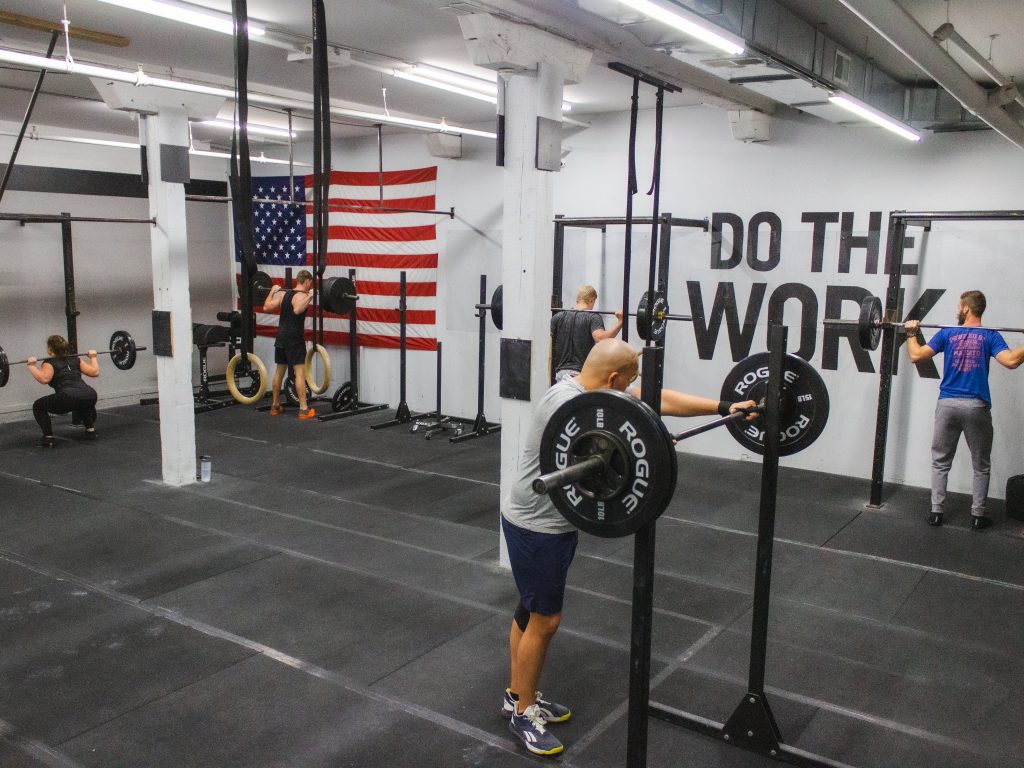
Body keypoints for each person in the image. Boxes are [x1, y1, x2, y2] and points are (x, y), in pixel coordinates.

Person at [500, 338, 757, 756]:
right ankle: (523, 711)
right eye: (629, 383)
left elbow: (656, 403)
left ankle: (517, 692)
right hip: (537, 525)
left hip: (547, 522)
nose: (630, 390)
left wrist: (724, 406)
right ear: (614, 378)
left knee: (529, 609)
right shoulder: (564, 406)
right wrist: (649, 438)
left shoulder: (584, 387)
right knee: (544, 619)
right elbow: (603, 458)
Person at [905, 290, 1024, 530]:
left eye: (959, 306)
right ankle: (978, 516)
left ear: (967, 309)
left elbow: (916, 355)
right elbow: (1012, 361)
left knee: (940, 462)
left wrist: (910, 333)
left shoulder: (948, 332)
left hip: (947, 405)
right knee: (981, 464)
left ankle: (936, 512)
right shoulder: (989, 335)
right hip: (976, 407)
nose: (956, 310)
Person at [26, 335, 99, 448]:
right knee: (80, 400)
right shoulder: (75, 359)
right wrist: (93, 357)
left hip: (68, 397)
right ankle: (91, 431)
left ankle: (48, 438)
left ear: (50, 349)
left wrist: (31, 366)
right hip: (90, 395)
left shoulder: (49, 363)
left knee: (38, 406)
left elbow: (44, 379)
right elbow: (95, 372)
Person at [262, 269, 316, 419]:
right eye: (309, 283)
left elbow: (266, 307)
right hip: (294, 339)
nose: (309, 286)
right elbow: (298, 309)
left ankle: (275, 405)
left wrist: (272, 291)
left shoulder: (283, 294)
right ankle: (304, 409)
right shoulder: (302, 296)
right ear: (306, 282)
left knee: (279, 371)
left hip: (281, 337)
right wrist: (310, 296)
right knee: (300, 373)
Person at [550, 285, 623, 381]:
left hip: (560, 375)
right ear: (591, 300)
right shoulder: (592, 317)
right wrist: (620, 322)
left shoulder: (558, 317)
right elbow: (601, 339)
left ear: (578, 300)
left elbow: (550, 348)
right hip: (579, 376)